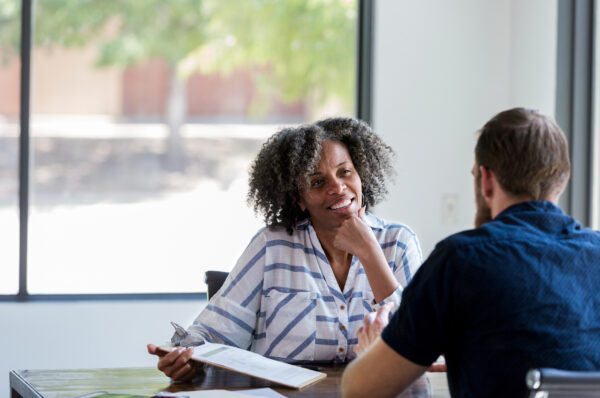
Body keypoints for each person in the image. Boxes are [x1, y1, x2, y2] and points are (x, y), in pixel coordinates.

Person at [341, 108, 600, 398]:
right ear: (562, 179)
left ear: (486, 180)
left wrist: (371, 351)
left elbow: (360, 390)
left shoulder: (460, 260)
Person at [148, 117, 422, 381]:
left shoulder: (398, 243)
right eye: (317, 182)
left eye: (345, 172)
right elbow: (213, 333)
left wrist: (370, 253)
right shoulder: (272, 246)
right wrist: (187, 358)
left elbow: (419, 343)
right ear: (299, 199)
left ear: (361, 174)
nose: (338, 187)